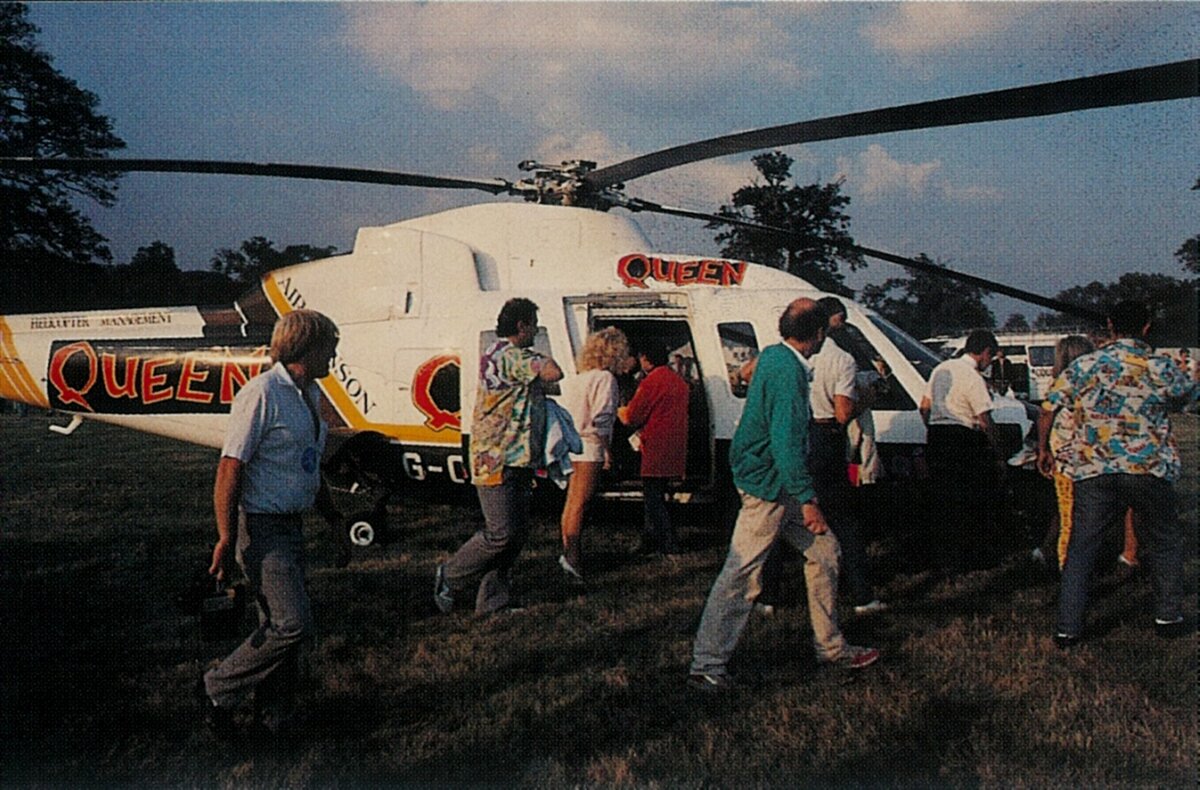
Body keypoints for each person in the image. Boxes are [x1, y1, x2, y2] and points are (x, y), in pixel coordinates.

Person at [689, 298, 879, 693]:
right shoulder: (790, 372)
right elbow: (786, 442)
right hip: (769, 486)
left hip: (771, 479)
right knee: (742, 574)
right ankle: (707, 664)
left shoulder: (773, 356)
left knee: (825, 553)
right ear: (820, 333)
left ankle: (831, 646)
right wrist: (808, 500)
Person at [201, 309, 343, 740]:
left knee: (277, 624)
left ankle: (275, 717)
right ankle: (217, 688)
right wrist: (226, 536)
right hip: (262, 527)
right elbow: (230, 467)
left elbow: (309, 466)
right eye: (329, 349)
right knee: (292, 623)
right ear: (307, 347)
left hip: (291, 525)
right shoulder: (261, 393)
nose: (334, 357)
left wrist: (335, 522)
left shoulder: (309, 396)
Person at [1037, 301, 1197, 647]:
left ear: (1109, 325)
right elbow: (1190, 395)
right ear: (1147, 327)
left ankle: (1068, 628)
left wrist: (1043, 450)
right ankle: (1168, 616)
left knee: (1082, 547)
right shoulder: (1159, 366)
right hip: (1149, 468)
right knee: (1165, 542)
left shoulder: (1085, 365)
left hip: (1096, 468)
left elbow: (1048, 408)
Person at [435, 298, 562, 616]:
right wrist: (542, 354)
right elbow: (553, 373)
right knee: (500, 532)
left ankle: (493, 601)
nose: (536, 330)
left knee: (515, 534)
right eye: (534, 323)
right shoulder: (510, 356)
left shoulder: (495, 353)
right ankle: (450, 575)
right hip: (497, 458)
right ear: (522, 325)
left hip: (515, 457)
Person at [810, 297, 885, 615]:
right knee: (844, 520)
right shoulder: (840, 358)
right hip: (826, 435)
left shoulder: (785, 355)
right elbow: (843, 413)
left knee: (782, 517)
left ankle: (767, 596)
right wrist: (866, 397)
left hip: (796, 435)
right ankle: (861, 595)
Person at [919, 328, 1002, 573]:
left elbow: (924, 407)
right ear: (985, 352)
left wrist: (934, 427)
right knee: (969, 502)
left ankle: (944, 560)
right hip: (963, 439)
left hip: (937, 435)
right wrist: (997, 453)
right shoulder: (973, 377)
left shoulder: (940, 369)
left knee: (943, 502)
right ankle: (970, 559)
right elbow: (985, 419)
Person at [558, 327, 632, 582]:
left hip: (573, 444)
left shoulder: (580, 377)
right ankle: (573, 558)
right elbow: (601, 419)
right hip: (590, 445)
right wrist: (610, 452)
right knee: (582, 503)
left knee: (572, 502)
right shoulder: (604, 378)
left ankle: (568, 553)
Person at [618, 339, 689, 555]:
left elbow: (632, 416)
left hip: (655, 445)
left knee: (653, 497)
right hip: (675, 444)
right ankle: (651, 538)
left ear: (646, 359)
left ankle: (668, 543)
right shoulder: (678, 381)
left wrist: (619, 410)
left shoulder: (650, 382)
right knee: (661, 494)